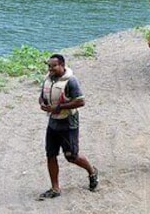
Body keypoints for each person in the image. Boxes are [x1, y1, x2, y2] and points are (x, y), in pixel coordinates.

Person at [37, 54, 99, 200]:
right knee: (50, 155)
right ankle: (55, 188)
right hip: (53, 122)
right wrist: (42, 103)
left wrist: (59, 107)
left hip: (68, 123)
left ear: (62, 65)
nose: (50, 69)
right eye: (49, 66)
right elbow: (42, 96)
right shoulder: (48, 79)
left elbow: (81, 102)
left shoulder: (71, 81)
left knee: (71, 156)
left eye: (54, 66)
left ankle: (91, 171)